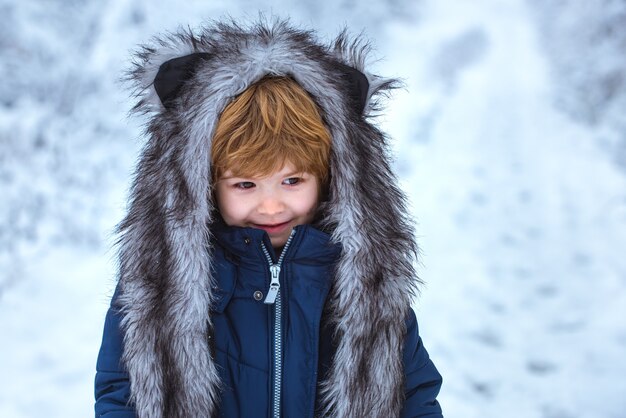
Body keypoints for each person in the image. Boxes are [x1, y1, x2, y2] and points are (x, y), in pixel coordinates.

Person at [95, 18, 443, 418]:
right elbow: (120, 390)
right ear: (204, 185)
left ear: (330, 175)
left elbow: (413, 391)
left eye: (292, 180)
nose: (272, 207)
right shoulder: (162, 278)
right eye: (245, 185)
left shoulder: (364, 276)